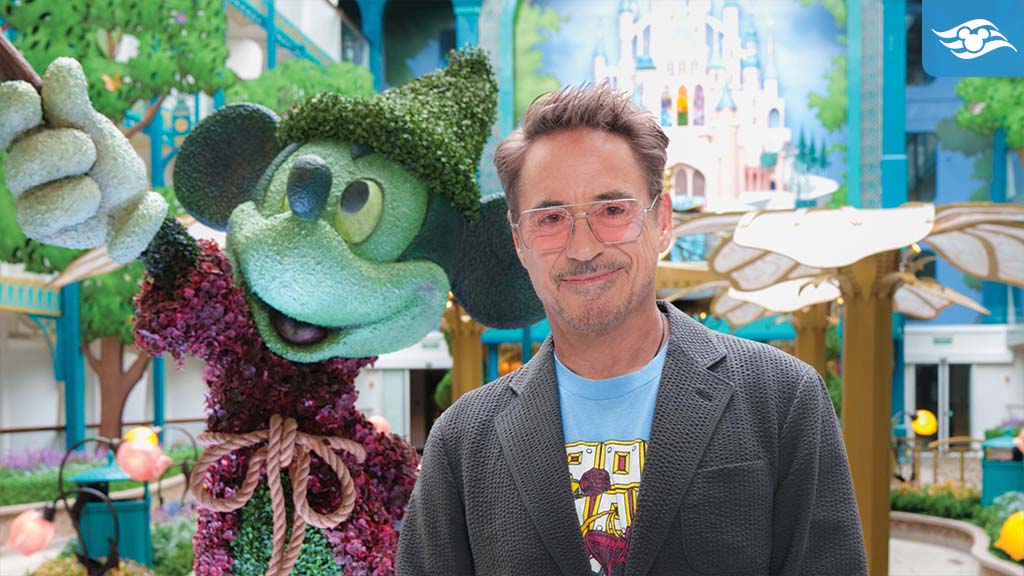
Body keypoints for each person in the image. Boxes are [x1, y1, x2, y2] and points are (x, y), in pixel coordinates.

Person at [396, 83, 867, 575]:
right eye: (551, 217)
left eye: (613, 210)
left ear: (662, 222)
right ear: (519, 241)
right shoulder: (464, 441)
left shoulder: (781, 401)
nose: (583, 247)